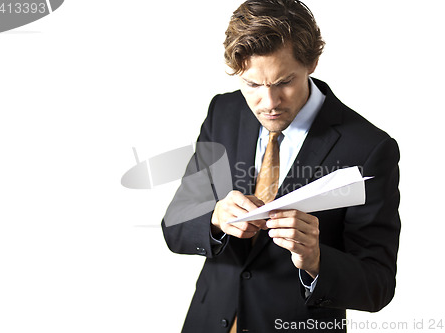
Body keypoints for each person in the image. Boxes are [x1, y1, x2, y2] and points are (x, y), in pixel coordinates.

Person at [161, 0, 401, 332]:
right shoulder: (224, 112)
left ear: (312, 63)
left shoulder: (369, 148)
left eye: (284, 82)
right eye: (253, 85)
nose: (269, 103)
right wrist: (214, 219)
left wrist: (316, 261)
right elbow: (174, 226)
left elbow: (378, 285)